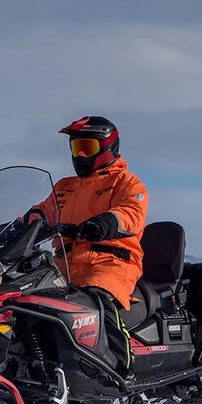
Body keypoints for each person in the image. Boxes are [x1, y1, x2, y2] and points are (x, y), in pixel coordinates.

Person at [36, 115, 149, 373]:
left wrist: (104, 223)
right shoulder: (65, 187)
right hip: (64, 265)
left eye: (87, 147)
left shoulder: (126, 183)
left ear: (108, 147)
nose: (80, 155)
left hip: (110, 263)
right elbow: (42, 212)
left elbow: (132, 212)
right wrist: (14, 227)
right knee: (30, 298)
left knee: (96, 301)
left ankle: (119, 370)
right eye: (76, 148)